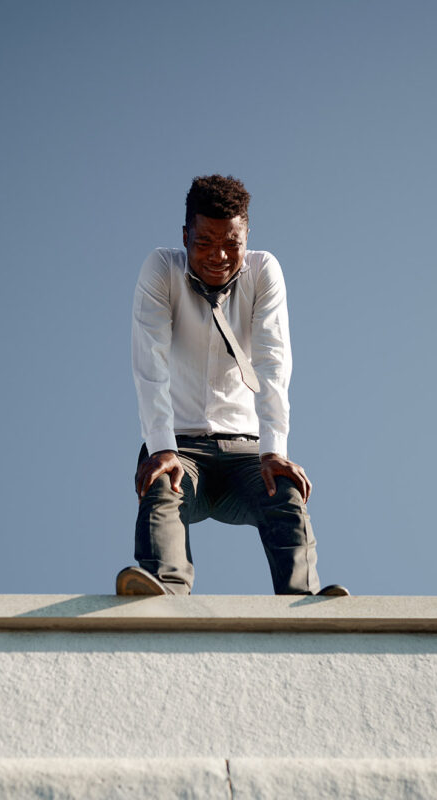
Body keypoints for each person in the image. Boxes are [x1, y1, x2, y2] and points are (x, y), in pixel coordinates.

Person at [117, 174, 348, 597]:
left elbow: (273, 361)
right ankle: (164, 592)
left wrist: (274, 449)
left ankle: (303, 602)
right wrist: (161, 446)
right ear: (185, 236)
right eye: (204, 242)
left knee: (285, 493)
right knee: (162, 485)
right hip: (181, 445)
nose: (218, 255)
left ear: (247, 236)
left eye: (231, 243)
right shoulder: (162, 270)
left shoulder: (263, 271)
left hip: (245, 450)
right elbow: (148, 363)